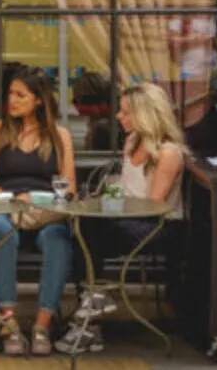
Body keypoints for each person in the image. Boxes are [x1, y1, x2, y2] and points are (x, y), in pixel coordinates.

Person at [57, 82, 188, 354]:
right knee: (80, 228)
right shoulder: (132, 141)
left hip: (159, 226)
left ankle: (90, 313)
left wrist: (110, 207)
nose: (118, 117)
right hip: (126, 220)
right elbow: (127, 189)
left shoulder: (168, 153)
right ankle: (92, 311)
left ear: (145, 115)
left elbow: (152, 206)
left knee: (89, 227)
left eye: (125, 112)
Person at [0, 67, 76, 356]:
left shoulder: (60, 135)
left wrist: (36, 198)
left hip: (43, 211)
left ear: (39, 101)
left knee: (58, 236)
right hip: (5, 208)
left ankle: (43, 324)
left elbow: (69, 188)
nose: (12, 100)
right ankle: (9, 321)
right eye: (10, 93)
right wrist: (11, 199)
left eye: (21, 95)